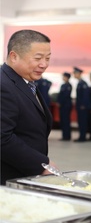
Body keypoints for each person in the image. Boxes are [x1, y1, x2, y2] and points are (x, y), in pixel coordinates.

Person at [1, 29, 55, 185]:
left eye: (48, 58)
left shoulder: (26, 82)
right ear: (14, 56)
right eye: (38, 58)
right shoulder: (3, 85)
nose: (44, 64)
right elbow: (2, 138)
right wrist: (40, 165)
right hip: (8, 178)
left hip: (23, 175)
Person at [73, 66, 91, 142]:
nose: (74, 75)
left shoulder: (83, 84)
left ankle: (82, 137)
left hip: (83, 107)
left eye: (75, 73)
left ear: (79, 74)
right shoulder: (80, 83)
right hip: (80, 106)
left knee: (83, 122)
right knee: (80, 122)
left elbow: (85, 96)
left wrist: (83, 105)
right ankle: (81, 136)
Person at [57, 72, 72, 141]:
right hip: (62, 106)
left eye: (64, 76)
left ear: (67, 77)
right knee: (63, 121)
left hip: (66, 105)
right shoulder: (63, 85)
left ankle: (67, 136)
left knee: (66, 121)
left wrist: (60, 102)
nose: (63, 78)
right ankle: (64, 135)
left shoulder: (68, 85)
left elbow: (65, 96)